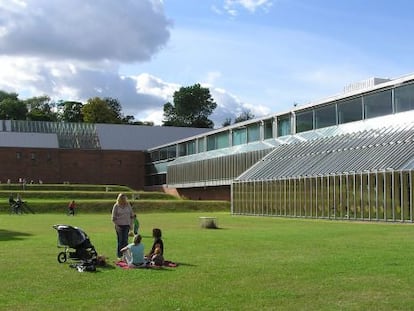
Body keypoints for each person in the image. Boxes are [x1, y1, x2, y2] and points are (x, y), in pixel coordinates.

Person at [111, 193, 134, 259]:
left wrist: (131, 225)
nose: (124, 200)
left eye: (124, 198)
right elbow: (113, 217)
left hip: (127, 225)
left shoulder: (128, 205)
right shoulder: (116, 206)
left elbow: (131, 215)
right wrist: (116, 224)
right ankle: (119, 255)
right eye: (122, 198)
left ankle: (126, 255)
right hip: (119, 225)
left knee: (125, 240)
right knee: (120, 240)